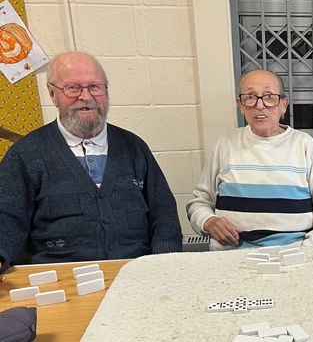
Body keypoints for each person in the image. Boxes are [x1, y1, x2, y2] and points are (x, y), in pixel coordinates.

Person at [0, 52, 182, 274]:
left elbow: (164, 214)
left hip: (137, 274)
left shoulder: (134, 147)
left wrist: (165, 264)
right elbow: (7, 218)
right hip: (60, 279)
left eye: (95, 87)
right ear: (52, 93)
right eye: (73, 88)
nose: (86, 97)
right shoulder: (25, 155)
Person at [186, 69, 313, 250]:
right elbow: (199, 204)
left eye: (269, 96)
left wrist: (303, 253)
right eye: (250, 97)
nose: (260, 106)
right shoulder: (224, 144)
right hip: (232, 258)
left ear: (284, 104)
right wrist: (209, 222)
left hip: (296, 257)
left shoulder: (304, 145)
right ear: (240, 105)